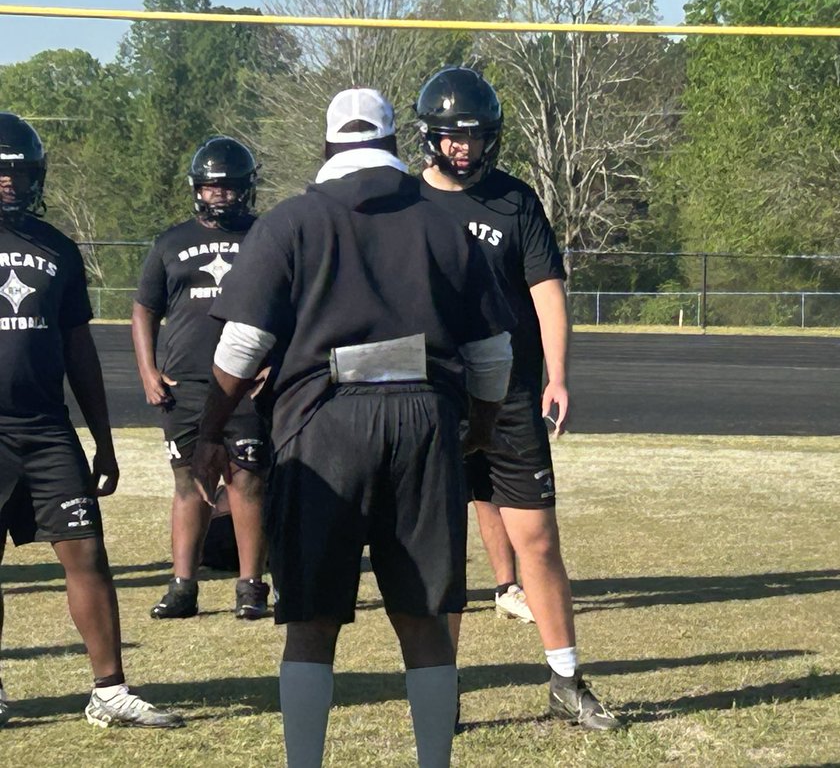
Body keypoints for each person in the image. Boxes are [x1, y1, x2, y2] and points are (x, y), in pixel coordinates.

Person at [192, 88, 514, 768]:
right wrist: (479, 428)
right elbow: (493, 354)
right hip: (425, 419)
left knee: (311, 620)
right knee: (424, 618)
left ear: (327, 146)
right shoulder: (444, 224)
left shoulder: (292, 221)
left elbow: (241, 347)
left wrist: (210, 431)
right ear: (396, 145)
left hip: (323, 421)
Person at [414, 66, 621, 730]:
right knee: (441, 553)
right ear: (430, 136)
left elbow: (547, 292)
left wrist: (558, 375)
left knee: (538, 539)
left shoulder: (515, 200)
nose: (463, 148)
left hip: (509, 394)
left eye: (474, 136)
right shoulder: (404, 202)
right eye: (452, 136)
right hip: (437, 396)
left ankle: (566, 680)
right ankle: (439, 694)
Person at [0, 112, 182, 729]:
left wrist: (103, 441)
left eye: (21, 173)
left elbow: (79, 350)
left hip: (46, 428)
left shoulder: (58, 247)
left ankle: (109, 691)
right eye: (1, 173)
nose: (11, 183)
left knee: (88, 553)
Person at [133, 137, 270, 620]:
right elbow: (144, 309)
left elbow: (294, 303)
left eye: (229, 187)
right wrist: (148, 370)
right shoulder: (170, 242)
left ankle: (251, 586)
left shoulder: (266, 236)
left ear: (246, 189)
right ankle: (182, 586)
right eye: (212, 186)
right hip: (185, 384)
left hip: (247, 384)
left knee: (246, 480)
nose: (220, 194)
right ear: (196, 188)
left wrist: (276, 363)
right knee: (190, 482)